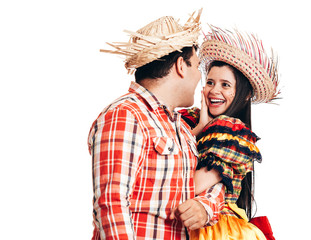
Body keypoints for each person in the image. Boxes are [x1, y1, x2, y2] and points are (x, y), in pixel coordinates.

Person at [87, 11, 225, 240]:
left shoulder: (182, 129)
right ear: (181, 65)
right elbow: (111, 204)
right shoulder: (126, 115)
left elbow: (209, 185)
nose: (199, 79)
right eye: (197, 68)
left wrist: (206, 207)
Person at [178, 25, 279, 240]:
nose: (215, 90)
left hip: (218, 230)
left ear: (243, 95)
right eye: (210, 82)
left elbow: (193, 185)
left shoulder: (231, 132)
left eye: (225, 85)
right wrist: (199, 127)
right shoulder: (192, 121)